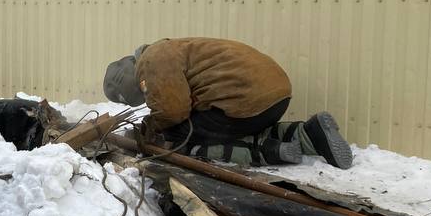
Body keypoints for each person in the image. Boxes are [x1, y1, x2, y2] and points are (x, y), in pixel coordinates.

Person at [103, 38, 353, 168]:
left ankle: (267, 152)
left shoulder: (152, 61)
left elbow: (173, 110)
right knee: (225, 124)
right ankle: (309, 133)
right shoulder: (173, 48)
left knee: (178, 135)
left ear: (135, 81)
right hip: (274, 97)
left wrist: (153, 126)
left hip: (243, 101)